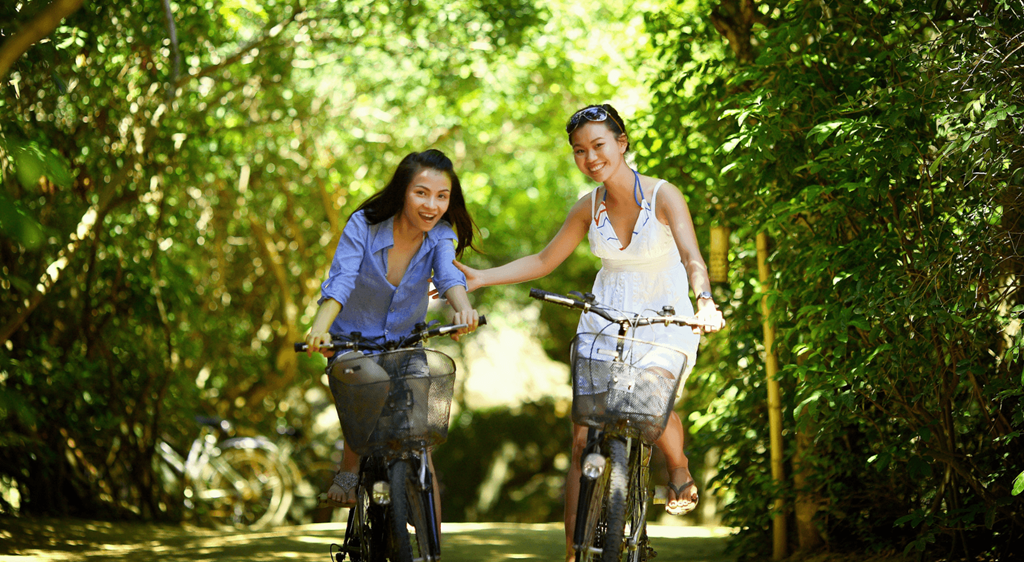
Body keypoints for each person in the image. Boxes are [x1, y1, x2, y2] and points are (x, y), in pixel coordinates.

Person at [450, 104, 725, 559]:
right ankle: (573, 551)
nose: (590, 157)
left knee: (649, 403)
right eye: (579, 150)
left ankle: (677, 464)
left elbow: (693, 257)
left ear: (621, 143)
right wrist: (481, 277)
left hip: (666, 312)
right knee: (583, 436)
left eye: (598, 145)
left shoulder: (663, 195)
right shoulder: (588, 205)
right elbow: (542, 261)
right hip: (604, 313)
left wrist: (706, 303)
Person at [304, 149, 481, 517]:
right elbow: (340, 283)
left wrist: (463, 307)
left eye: (442, 196)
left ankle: (430, 542)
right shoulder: (363, 225)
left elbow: (449, 277)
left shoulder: (441, 235)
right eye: (421, 192)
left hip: (406, 347)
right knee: (370, 379)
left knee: (421, 435)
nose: (431, 205)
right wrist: (319, 330)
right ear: (402, 191)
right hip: (353, 345)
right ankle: (349, 466)